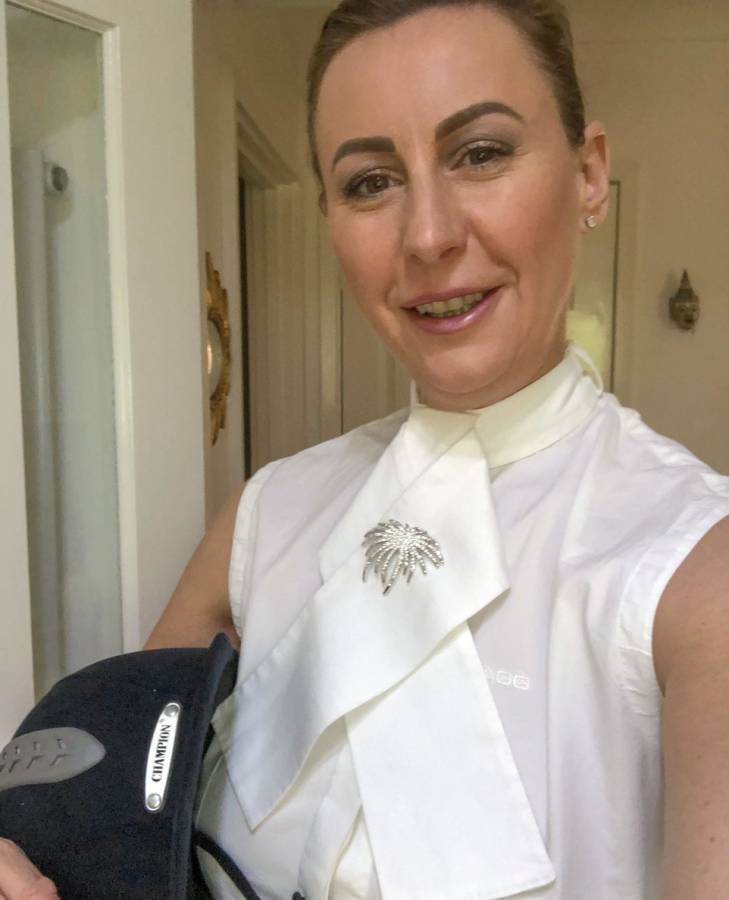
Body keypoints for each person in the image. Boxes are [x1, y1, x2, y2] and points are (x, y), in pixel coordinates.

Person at [3, 0, 729, 898]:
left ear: (588, 175)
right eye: (370, 182)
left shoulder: (694, 566)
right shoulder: (265, 514)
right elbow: (108, 829)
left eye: (480, 154)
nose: (427, 236)